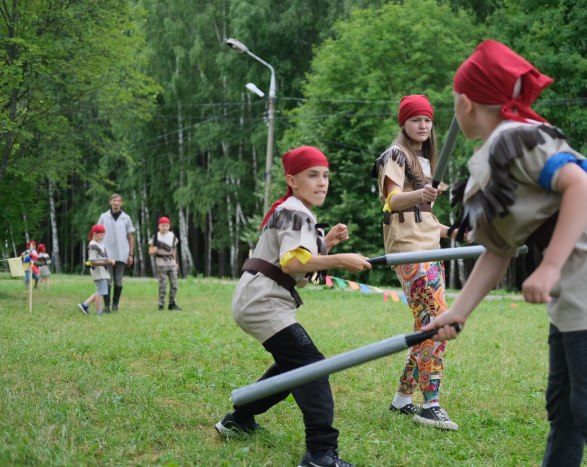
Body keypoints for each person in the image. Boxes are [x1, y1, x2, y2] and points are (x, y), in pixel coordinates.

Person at [422, 40, 587, 466]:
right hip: (577, 280)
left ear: (466, 104)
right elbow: (498, 249)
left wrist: (549, 267)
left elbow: (582, 186)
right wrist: (458, 312)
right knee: (564, 407)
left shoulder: (517, 137)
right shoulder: (498, 150)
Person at [215, 146, 372, 467]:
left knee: (292, 365)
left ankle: (238, 420)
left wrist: (328, 242)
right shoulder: (295, 212)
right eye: (312, 175)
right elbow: (292, 262)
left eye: (325, 175)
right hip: (263, 301)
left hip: (259, 297)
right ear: (292, 180)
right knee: (312, 367)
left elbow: (296, 254)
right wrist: (341, 259)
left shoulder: (294, 210)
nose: (322, 182)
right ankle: (320, 454)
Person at [371, 94, 457, 430]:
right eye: (415, 119)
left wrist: (455, 232)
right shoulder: (395, 154)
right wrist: (422, 193)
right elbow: (393, 201)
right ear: (403, 123)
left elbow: (424, 218)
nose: (423, 125)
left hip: (430, 249)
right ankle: (430, 405)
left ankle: (402, 399)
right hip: (410, 252)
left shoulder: (424, 162)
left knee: (426, 326)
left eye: (427, 120)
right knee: (437, 324)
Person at [97, 193, 135, 312]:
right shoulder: (104, 217)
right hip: (106, 254)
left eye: (118, 201)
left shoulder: (126, 218)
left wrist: (131, 254)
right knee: (107, 280)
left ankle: (115, 305)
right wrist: (96, 250)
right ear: (110, 202)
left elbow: (130, 237)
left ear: (121, 203)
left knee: (118, 281)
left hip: (122, 253)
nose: (116, 203)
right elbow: (97, 233)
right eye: (114, 200)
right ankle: (107, 306)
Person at [78, 225, 115, 315]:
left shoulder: (99, 244)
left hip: (103, 271)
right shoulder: (92, 245)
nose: (103, 237)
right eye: (101, 235)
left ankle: (85, 305)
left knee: (101, 291)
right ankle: (99, 312)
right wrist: (106, 262)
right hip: (98, 272)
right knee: (100, 292)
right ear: (94, 234)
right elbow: (92, 262)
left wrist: (108, 260)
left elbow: (102, 258)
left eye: (103, 235)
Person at [148, 216, 181, 310]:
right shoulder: (156, 236)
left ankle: (172, 303)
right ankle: (161, 304)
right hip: (161, 261)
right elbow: (150, 251)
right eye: (163, 225)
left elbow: (173, 250)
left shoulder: (172, 236)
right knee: (163, 284)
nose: (165, 227)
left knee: (174, 284)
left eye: (166, 225)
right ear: (159, 226)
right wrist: (154, 250)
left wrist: (175, 261)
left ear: (169, 226)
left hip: (171, 261)